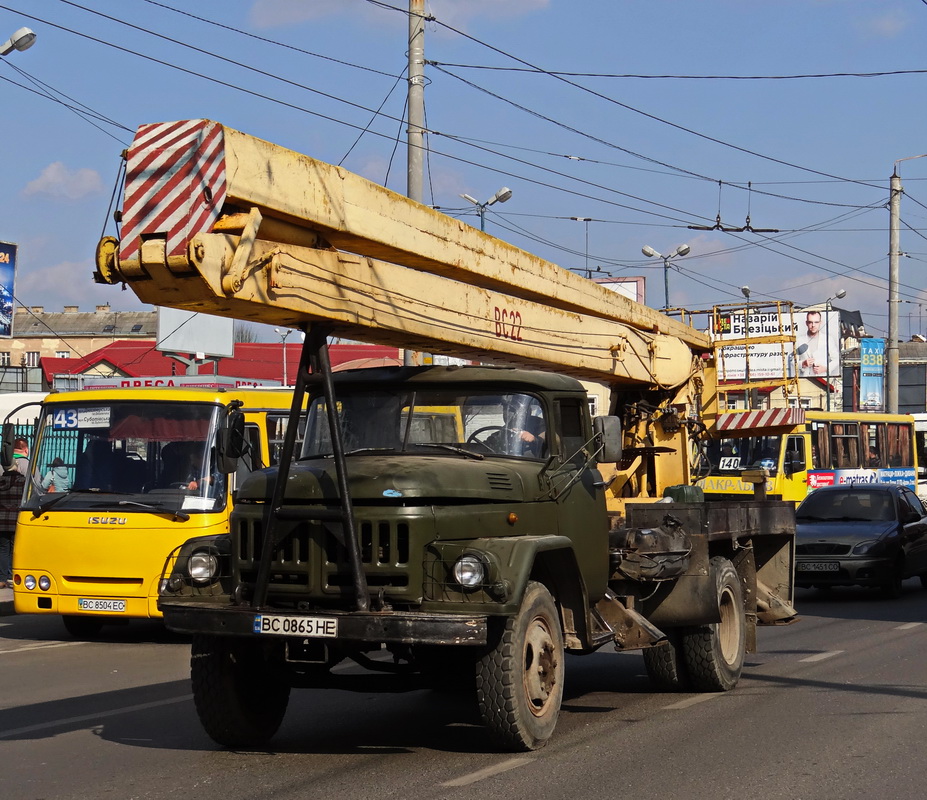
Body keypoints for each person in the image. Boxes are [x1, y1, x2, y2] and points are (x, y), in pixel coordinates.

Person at [0, 461, 24, 589]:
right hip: (16, 520)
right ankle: (12, 577)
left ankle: (2, 579)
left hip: (2, 520)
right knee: (15, 550)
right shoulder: (22, 481)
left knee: (3, 549)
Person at [797, 310, 837, 377]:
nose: (813, 325)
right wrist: (803, 364)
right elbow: (791, 362)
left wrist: (825, 368)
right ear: (806, 323)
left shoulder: (827, 339)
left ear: (820, 323)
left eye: (816, 322)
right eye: (810, 322)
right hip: (804, 380)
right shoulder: (799, 341)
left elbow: (836, 359)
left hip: (823, 380)